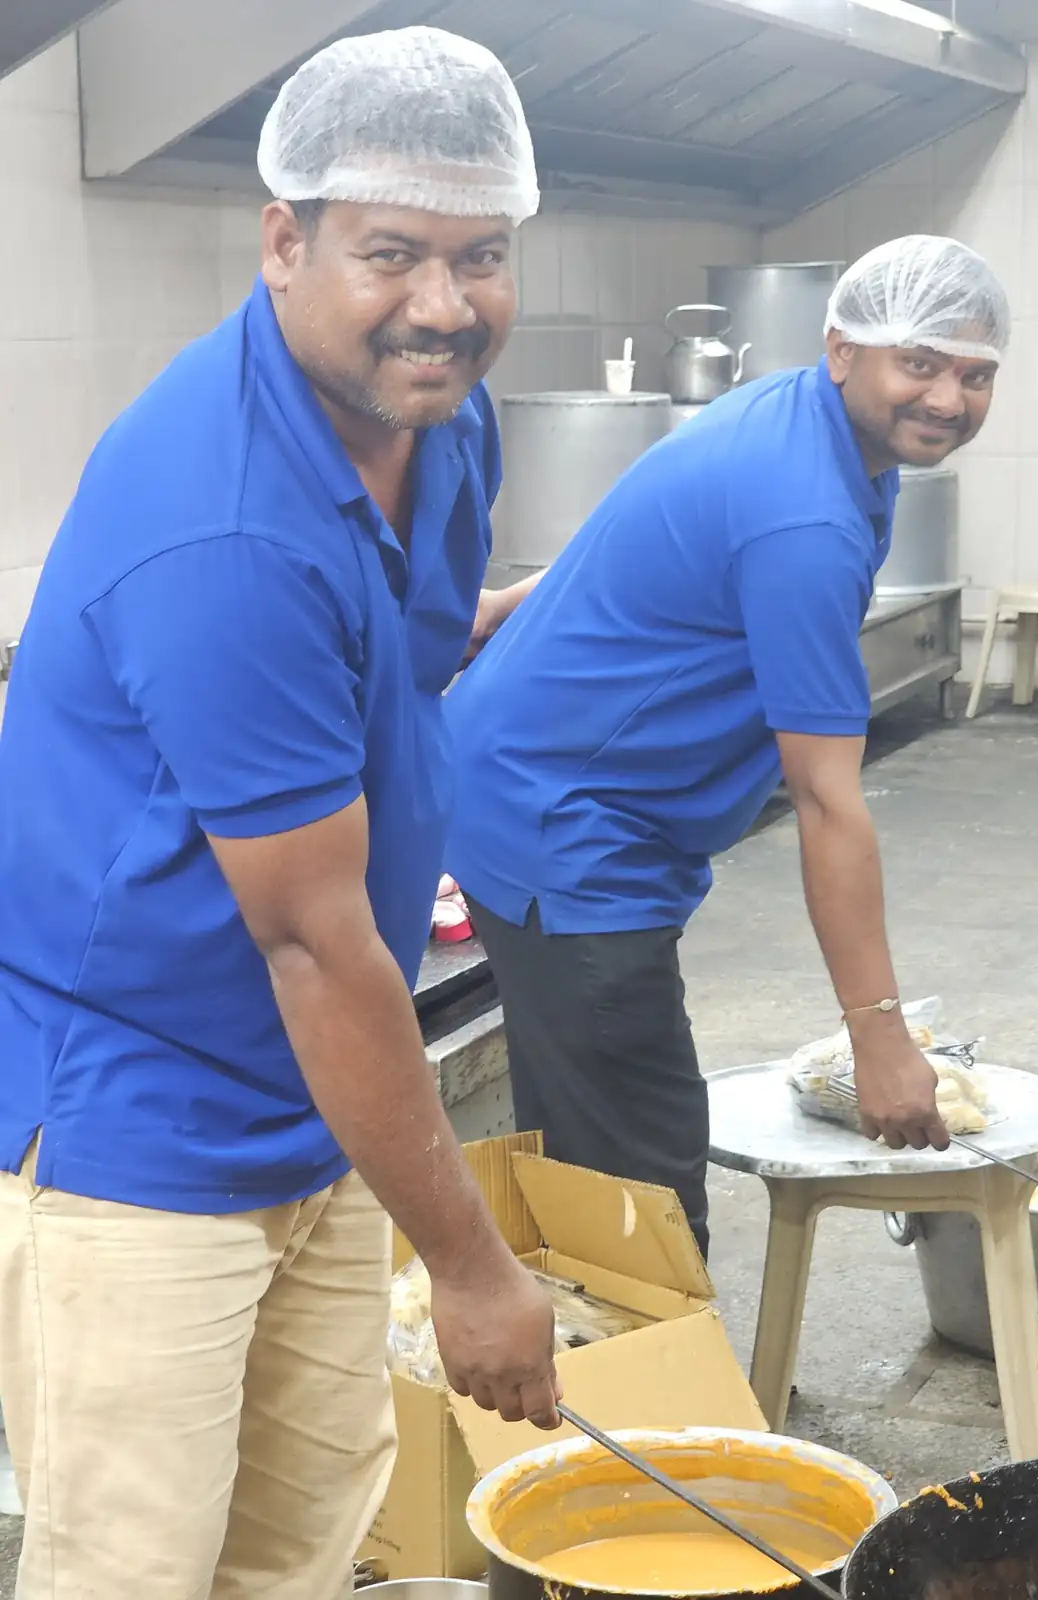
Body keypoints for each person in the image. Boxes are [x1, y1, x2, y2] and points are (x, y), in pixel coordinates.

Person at [0, 27, 558, 1599]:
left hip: (319, 1105)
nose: (443, 306)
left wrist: (503, 618)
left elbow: (412, 629)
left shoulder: (435, 414)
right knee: (138, 1567)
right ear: (283, 242)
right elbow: (315, 948)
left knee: (303, 1537)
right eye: (391, 253)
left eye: (481, 256)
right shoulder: (223, 524)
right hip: (141, 1123)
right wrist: (470, 1264)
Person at [445, 236, 1011, 1259]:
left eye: (975, 374)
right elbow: (827, 798)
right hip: (565, 830)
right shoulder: (808, 514)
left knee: (591, 1147)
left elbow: (650, 528)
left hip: (528, 785)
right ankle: (660, 1404)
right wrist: (878, 1037)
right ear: (843, 351)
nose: (947, 397)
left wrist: (517, 604)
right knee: (641, 1195)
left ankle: (590, 1374)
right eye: (918, 364)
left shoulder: (800, 419)